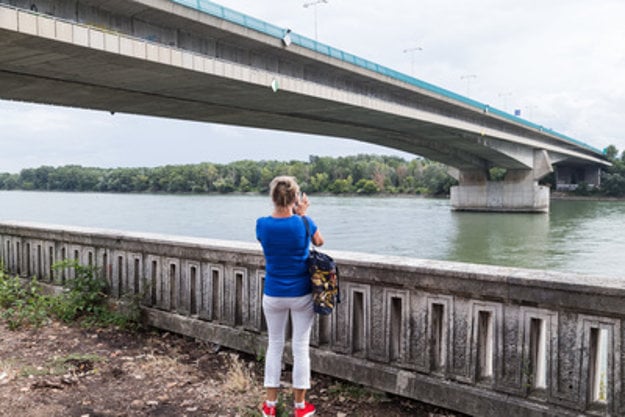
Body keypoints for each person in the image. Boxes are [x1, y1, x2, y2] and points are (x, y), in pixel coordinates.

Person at [256, 176, 324, 417]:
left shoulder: (262, 224)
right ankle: (300, 407)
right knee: (300, 347)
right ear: (296, 198)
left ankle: (270, 406)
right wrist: (302, 214)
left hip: (273, 293)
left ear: (272, 197)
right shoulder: (303, 222)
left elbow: (268, 240)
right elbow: (320, 241)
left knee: (274, 345)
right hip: (301, 293)